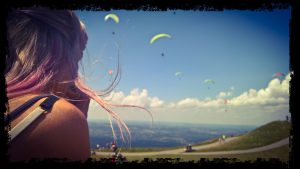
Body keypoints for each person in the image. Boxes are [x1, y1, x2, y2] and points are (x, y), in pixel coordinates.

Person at [5, 7, 139, 162]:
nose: (75, 72)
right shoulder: (57, 119)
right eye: (76, 59)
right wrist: (76, 118)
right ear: (60, 51)